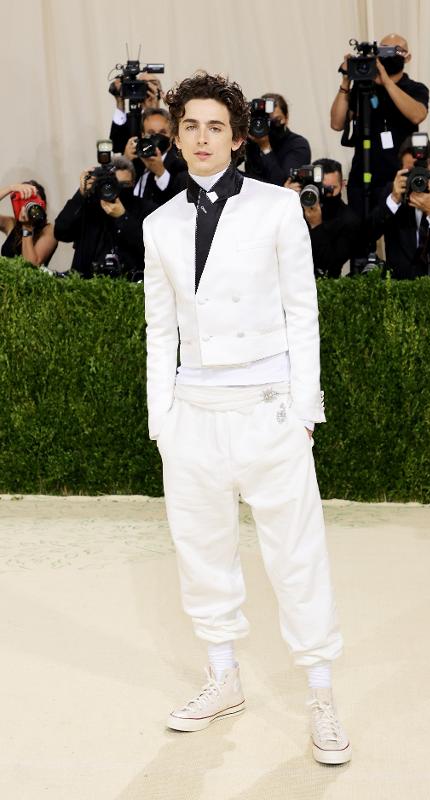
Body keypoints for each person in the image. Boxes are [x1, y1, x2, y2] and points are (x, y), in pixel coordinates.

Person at [143, 71, 351, 765]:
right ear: (176, 137)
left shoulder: (275, 209)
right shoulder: (158, 224)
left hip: (269, 414)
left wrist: (303, 412)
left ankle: (321, 694)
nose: (202, 139)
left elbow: (304, 313)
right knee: (202, 553)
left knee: (296, 557)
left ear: (235, 137)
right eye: (190, 127)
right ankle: (223, 676)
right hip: (194, 418)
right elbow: (158, 332)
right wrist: (162, 424)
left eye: (215, 127)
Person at [330, 33, 429, 219]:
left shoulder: (415, 88)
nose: (388, 55)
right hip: (363, 176)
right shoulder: (363, 87)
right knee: (359, 239)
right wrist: (346, 81)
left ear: (407, 57)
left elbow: (417, 115)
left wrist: (386, 82)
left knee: (399, 243)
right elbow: (336, 123)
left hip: (399, 178)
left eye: (396, 50)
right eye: (383, 49)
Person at [54, 156, 152, 280]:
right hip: (86, 286)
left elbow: (149, 249)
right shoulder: (89, 206)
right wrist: (80, 194)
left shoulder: (145, 208)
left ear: (133, 182)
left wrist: (123, 217)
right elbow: (61, 232)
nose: (119, 190)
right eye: (114, 184)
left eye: (124, 185)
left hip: (130, 286)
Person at [367, 137, 430, 278]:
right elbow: (367, 235)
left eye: (421, 170)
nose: (416, 177)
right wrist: (393, 201)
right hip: (398, 287)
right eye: (410, 172)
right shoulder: (392, 192)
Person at [286, 158, 361, 277]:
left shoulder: (349, 221)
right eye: (320, 187)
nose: (325, 193)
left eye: (331, 189)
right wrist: (285, 198)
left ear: (342, 185)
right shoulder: (297, 205)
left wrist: (316, 226)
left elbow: (329, 265)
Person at [123, 108, 187, 207]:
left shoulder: (181, 166)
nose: (156, 138)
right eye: (151, 133)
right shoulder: (136, 160)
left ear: (171, 136)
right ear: (143, 135)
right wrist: (125, 163)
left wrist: (161, 173)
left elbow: (179, 203)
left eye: (162, 132)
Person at [245, 93, 311, 185]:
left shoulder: (298, 144)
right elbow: (225, 167)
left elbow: (284, 185)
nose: (270, 125)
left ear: (286, 118)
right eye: (266, 121)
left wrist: (265, 148)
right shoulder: (251, 139)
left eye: (276, 120)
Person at [0, 180, 58, 267]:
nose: (29, 207)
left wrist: (27, 227)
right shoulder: (12, 224)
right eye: (25, 201)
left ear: (43, 205)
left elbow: (31, 266)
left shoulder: (49, 231)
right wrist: (10, 188)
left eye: (33, 200)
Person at [110, 72, 164, 154]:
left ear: (161, 93)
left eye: (153, 83)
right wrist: (120, 102)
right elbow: (116, 147)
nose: (147, 88)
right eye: (143, 84)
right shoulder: (128, 119)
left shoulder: (169, 120)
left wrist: (152, 112)